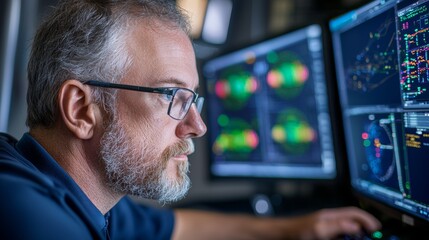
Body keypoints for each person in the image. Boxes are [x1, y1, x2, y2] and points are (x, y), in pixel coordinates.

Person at [0, 0, 381, 239]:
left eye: (192, 98)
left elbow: (178, 229)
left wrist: (298, 229)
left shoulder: (78, 194)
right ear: (82, 110)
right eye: (171, 95)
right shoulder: (28, 219)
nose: (197, 126)